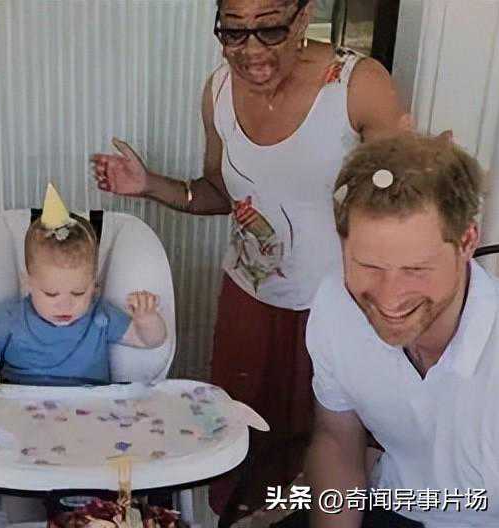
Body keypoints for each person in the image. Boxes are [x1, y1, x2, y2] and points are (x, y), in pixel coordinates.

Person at [90, 0, 406, 521]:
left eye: (270, 29)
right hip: (250, 301)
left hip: (342, 308)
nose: (251, 51)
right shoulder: (217, 90)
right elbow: (222, 192)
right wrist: (148, 185)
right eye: (234, 33)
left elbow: (402, 206)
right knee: (243, 445)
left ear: (303, 17)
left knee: (333, 451)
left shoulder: (358, 87)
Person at [301, 134, 499, 528]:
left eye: (415, 270)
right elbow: (337, 437)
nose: (389, 299)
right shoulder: (334, 302)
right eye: (369, 266)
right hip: (395, 503)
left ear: (466, 242)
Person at [0, 186, 167, 391]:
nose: (65, 304)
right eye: (51, 294)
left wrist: (147, 319)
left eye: (79, 293)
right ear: (28, 283)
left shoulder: (100, 317)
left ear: (94, 285)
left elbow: (148, 341)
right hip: (20, 403)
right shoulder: (10, 317)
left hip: (88, 405)